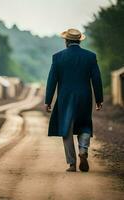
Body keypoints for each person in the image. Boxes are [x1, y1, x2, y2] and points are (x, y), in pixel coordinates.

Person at [45, 28, 103, 172]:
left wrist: (48, 100)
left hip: (65, 97)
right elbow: (96, 79)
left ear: (66, 41)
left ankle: (72, 163)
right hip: (85, 97)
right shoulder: (90, 56)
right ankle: (83, 150)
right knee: (85, 125)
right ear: (79, 40)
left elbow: (52, 80)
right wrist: (99, 99)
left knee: (67, 129)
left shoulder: (58, 57)